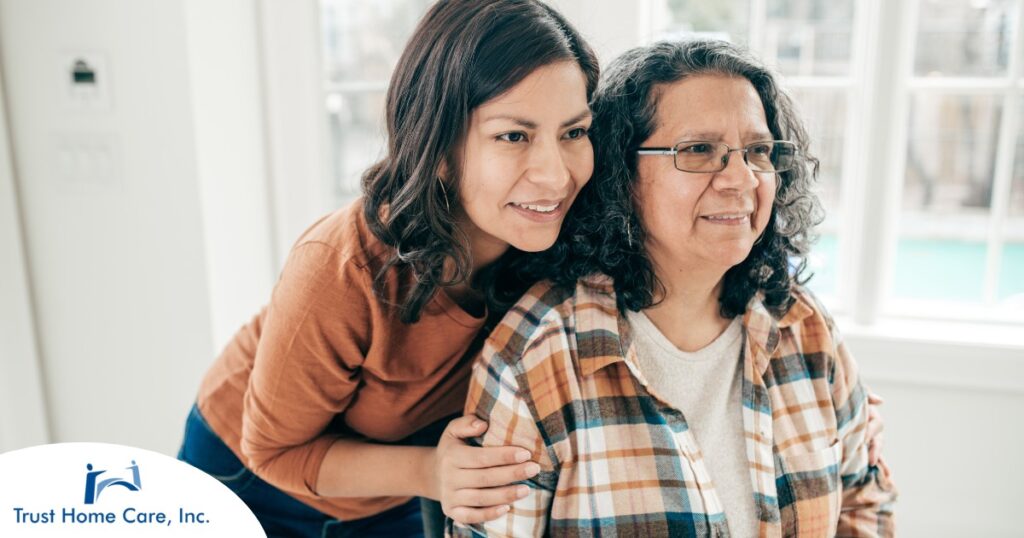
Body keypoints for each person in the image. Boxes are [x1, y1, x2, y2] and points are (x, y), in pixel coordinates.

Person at [176, 1, 599, 536]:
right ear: (439, 148)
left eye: (573, 132)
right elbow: (275, 449)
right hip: (248, 473)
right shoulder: (340, 269)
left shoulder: (557, 248)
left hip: (391, 481)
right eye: (513, 136)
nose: (555, 174)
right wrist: (430, 472)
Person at [452, 39, 897, 537]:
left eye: (757, 151)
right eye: (698, 150)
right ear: (622, 173)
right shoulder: (535, 359)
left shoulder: (806, 327)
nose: (741, 178)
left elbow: (865, 504)